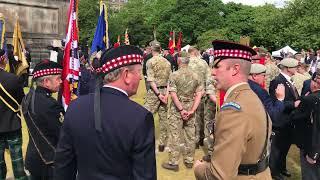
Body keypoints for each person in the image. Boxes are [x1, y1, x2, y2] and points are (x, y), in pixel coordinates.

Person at [54, 45, 156, 180]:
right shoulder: (140, 117)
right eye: (139, 72)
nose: (141, 78)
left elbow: (63, 166)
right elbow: (145, 175)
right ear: (126, 75)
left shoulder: (75, 107)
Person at [194, 40, 272, 179]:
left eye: (217, 66)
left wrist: (199, 169)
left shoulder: (234, 110)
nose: (212, 72)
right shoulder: (250, 96)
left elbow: (219, 175)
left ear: (235, 69)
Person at [21, 60, 64, 180]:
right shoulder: (51, 105)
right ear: (46, 82)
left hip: (33, 159)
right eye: (58, 78)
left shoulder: (27, 98)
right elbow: (63, 135)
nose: (61, 81)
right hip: (49, 163)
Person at [162, 52, 203, 171]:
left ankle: (174, 162)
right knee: (190, 135)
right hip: (190, 106)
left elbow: (173, 94)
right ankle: (189, 160)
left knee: (175, 135)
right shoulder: (196, 75)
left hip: (177, 109)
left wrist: (181, 109)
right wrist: (192, 110)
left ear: (179, 61)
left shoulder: (174, 75)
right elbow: (199, 94)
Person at [269, 58, 300, 180]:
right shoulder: (278, 81)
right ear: (288, 68)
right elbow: (275, 102)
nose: (297, 69)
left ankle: (281, 168)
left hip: (288, 121)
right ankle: (274, 172)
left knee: (285, 148)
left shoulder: (288, 80)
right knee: (277, 149)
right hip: (281, 121)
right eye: (295, 67)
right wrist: (293, 104)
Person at [0, 49, 27, 180]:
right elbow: (22, 100)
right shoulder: (13, 79)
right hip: (12, 126)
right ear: (3, 59)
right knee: (18, 164)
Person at [291, 70, 320, 180]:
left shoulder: (310, 99)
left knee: (310, 175)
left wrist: (313, 153)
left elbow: (296, 118)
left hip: (311, 147)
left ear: (314, 82)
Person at [144, 43, 171, 152]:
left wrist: (159, 94)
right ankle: (162, 143)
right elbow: (170, 80)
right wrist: (166, 94)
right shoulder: (167, 62)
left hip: (155, 92)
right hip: (165, 90)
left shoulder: (150, 61)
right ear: (160, 49)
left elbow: (150, 80)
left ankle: (146, 141)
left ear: (151, 49)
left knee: (146, 116)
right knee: (163, 118)